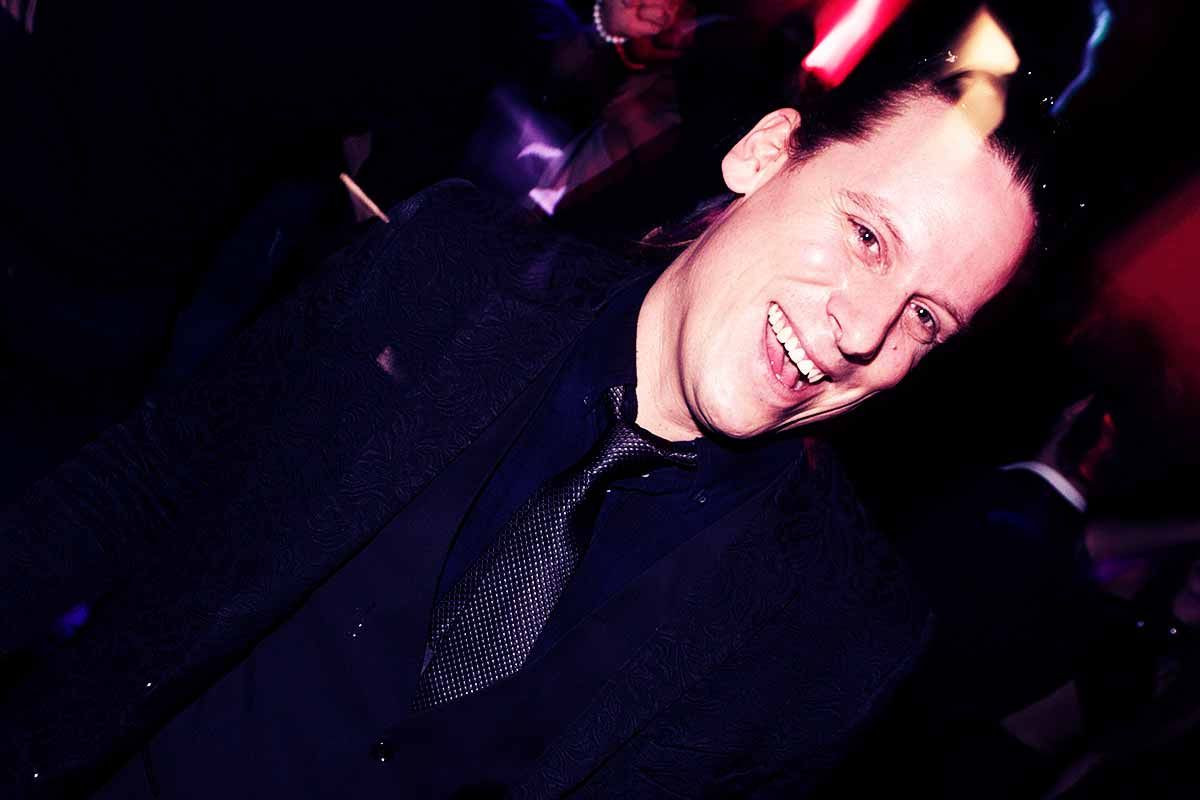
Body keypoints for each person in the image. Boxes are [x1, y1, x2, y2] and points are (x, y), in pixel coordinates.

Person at [1, 62, 1044, 798]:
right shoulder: (446, 275)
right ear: (764, 154)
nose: (862, 331)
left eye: (926, 318)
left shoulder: (839, 638)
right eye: (866, 236)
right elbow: (143, 480)